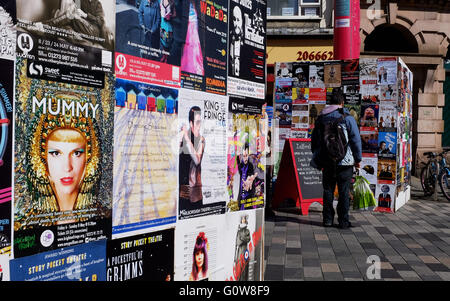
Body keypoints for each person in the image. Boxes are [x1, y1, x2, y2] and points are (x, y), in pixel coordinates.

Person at [311, 89, 362, 229]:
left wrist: (317, 157)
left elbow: (314, 140)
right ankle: (343, 221)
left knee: (328, 190)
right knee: (344, 191)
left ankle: (327, 220)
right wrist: (358, 159)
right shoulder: (347, 118)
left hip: (327, 161)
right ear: (342, 102)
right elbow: (356, 140)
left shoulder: (321, 118)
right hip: (345, 162)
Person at [179, 106, 205, 205]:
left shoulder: (201, 140)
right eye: (197, 122)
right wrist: (182, 137)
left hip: (195, 194)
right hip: (183, 192)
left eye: (200, 122)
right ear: (191, 123)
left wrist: (186, 137)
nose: (199, 125)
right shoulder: (183, 136)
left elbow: (197, 160)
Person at [237, 142, 258, 210]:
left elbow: (250, 176)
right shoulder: (241, 165)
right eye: (243, 156)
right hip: (241, 193)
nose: (245, 158)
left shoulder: (250, 166)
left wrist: (248, 181)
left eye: (246, 156)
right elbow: (240, 172)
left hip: (248, 193)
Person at [234, 214, 251, 281]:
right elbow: (238, 242)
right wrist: (243, 238)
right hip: (239, 253)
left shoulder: (247, 230)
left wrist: (242, 238)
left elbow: (248, 239)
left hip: (245, 251)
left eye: (244, 218)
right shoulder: (239, 231)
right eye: (242, 218)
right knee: (239, 268)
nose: (243, 220)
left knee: (245, 268)